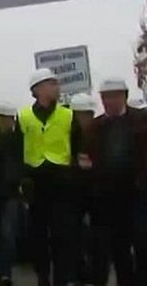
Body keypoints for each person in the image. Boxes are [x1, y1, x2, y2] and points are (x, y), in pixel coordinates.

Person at [15, 68, 82, 286]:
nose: (57, 87)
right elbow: (17, 149)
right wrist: (22, 178)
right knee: (38, 236)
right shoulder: (23, 116)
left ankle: (63, 279)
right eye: (51, 83)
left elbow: (78, 147)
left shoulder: (68, 115)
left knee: (64, 235)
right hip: (35, 182)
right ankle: (43, 277)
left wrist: (75, 172)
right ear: (38, 89)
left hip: (62, 182)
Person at [85, 78, 147, 286]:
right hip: (108, 197)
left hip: (138, 194)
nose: (109, 101)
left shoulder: (142, 120)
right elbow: (88, 158)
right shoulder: (95, 126)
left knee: (142, 244)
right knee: (118, 248)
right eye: (105, 97)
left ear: (124, 97)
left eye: (114, 96)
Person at [0, 102, 23, 286]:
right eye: (7, 119)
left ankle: (5, 273)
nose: (10, 123)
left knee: (7, 233)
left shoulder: (17, 139)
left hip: (10, 193)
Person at [69, 93, 97, 285]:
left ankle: (92, 269)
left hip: (95, 192)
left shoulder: (98, 133)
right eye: (81, 114)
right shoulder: (68, 136)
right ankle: (78, 269)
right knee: (75, 233)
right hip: (73, 192)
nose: (84, 118)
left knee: (92, 233)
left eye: (88, 114)